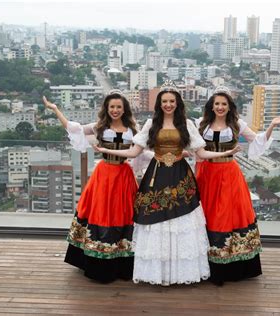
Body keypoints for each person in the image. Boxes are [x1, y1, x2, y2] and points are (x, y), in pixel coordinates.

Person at [93, 80, 239, 285]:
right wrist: (108, 151)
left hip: (180, 175)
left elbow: (202, 152)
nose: (168, 105)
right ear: (159, 104)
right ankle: (158, 272)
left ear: (177, 103)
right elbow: (134, 152)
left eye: (171, 101)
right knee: (156, 220)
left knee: (182, 221)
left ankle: (180, 273)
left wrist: (226, 152)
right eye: (164, 101)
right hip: (157, 174)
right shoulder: (151, 124)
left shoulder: (187, 125)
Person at [195, 86, 280, 285]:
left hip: (229, 174)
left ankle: (227, 268)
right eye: (217, 104)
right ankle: (208, 266)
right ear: (211, 106)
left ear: (230, 107)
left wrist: (272, 125)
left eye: (224, 104)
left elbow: (257, 141)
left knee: (227, 215)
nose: (220, 107)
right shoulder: (201, 124)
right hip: (206, 175)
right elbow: (193, 150)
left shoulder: (237, 124)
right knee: (208, 215)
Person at [42, 90, 138, 283]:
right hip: (104, 175)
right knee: (101, 212)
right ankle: (98, 263)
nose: (115, 110)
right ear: (107, 108)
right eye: (112, 106)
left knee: (122, 213)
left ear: (124, 108)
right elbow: (73, 128)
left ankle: (121, 263)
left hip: (123, 176)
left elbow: (144, 148)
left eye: (119, 106)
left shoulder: (133, 129)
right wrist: (55, 109)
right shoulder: (99, 127)